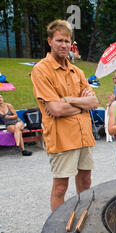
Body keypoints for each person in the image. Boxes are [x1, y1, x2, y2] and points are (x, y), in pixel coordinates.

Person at [30, 19, 99, 212]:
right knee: (61, 186)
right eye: (59, 40)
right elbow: (55, 110)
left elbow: (94, 102)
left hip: (84, 134)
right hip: (62, 137)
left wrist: (68, 99)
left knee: (85, 181)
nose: (64, 45)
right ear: (50, 41)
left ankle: (84, 217)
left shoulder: (77, 71)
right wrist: (81, 105)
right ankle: (59, 228)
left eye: (67, 41)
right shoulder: (41, 69)